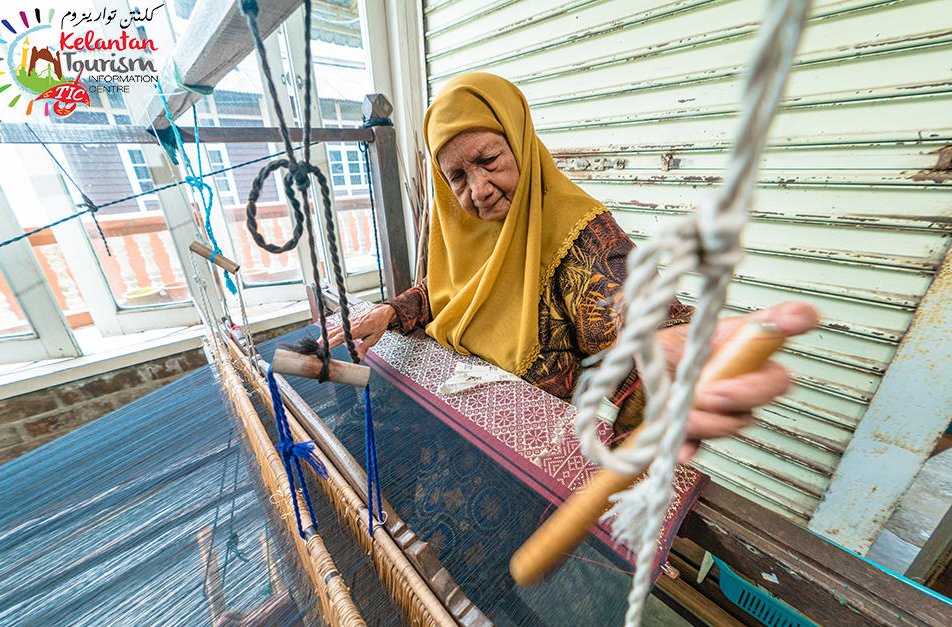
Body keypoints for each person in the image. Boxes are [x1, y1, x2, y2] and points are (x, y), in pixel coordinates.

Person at [328, 72, 817, 454]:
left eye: (490, 160)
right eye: (457, 176)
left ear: (519, 141)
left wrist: (663, 347)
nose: (478, 190)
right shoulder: (459, 234)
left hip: (519, 454)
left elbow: (621, 301)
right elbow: (445, 292)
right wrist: (391, 311)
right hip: (449, 429)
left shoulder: (579, 236)